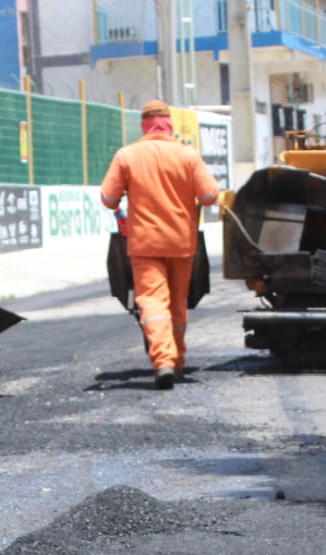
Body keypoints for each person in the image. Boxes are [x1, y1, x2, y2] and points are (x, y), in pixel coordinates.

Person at [99, 99, 220, 389]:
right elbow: (209, 196)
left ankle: (163, 360)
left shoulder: (127, 155)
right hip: (182, 242)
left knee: (153, 301)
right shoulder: (187, 155)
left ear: (144, 124)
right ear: (169, 124)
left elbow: (108, 199)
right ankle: (177, 362)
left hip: (145, 243)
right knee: (177, 302)